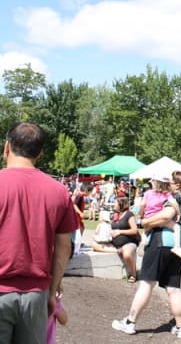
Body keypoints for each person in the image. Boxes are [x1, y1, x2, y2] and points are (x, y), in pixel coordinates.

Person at [0, 122, 78, 344]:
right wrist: (52, 292)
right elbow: (64, 248)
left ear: (7, 147)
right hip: (36, 294)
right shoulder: (59, 192)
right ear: (40, 152)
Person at [112, 170, 181, 339]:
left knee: (146, 283)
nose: (169, 185)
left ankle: (130, 322)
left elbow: (166, 216)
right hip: (179, 246)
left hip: (161, 242)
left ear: (178, 184)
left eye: (172, 182)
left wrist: (145, 222)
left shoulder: (175, 199)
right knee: (174, 289)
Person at [92, 196, 140, 283]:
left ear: (121, 204)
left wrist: (120, 232)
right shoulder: (115, 215)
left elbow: (134, 230)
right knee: (94, 245)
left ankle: (133, 274)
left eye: (115, 203)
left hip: (128, 242)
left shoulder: (129, 214)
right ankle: (118, 251)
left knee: (127, 254)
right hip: (114, 243)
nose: (113, 204)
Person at [139, 175, 181, 259]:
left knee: (145, 232)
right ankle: (177, 247)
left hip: (148, 217)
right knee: (177, 227)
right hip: (160, 218)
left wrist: (141, 214)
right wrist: (178, 213)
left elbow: (142, 205)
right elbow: (174, 203)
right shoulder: (166, 194)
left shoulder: (147, 193)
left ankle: (142, 244)